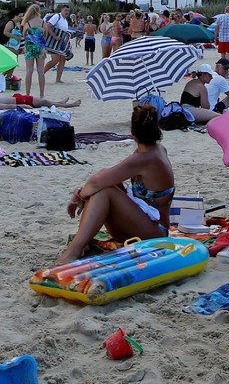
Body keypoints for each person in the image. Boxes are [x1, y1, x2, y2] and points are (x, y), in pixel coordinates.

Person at [57, 104, 175, 264]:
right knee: (104, 185)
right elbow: (106, 176)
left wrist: (78, 197)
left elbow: (96, 181)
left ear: (133, 134)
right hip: (148, 223)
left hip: (156, 234)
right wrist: (84, 193)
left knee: (103, 190)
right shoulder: (157, 150)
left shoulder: (144, 158)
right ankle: (80, 244)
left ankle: (74, 250)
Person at [15, 4, 48, 98]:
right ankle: (42, 94)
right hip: (40, 48)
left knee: (29, 71)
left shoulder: (27, 23)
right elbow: (45, 35)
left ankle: (28, 94)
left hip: (29, 48)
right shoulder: (43, 23)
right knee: (41, 71)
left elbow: (24, 36)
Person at [43, 4, 74, 87]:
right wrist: (54, 36)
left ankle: (58, 79)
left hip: (62, 43)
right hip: (54, 42)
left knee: (63, 59)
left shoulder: (65, 20)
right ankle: (42, 73)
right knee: (55, 60)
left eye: (68, 10)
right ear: (62, 10)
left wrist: (68, 43)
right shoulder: (57, 16)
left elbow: (65, 33)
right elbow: (48, 26)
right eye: (65, 10)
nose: (67, 12)